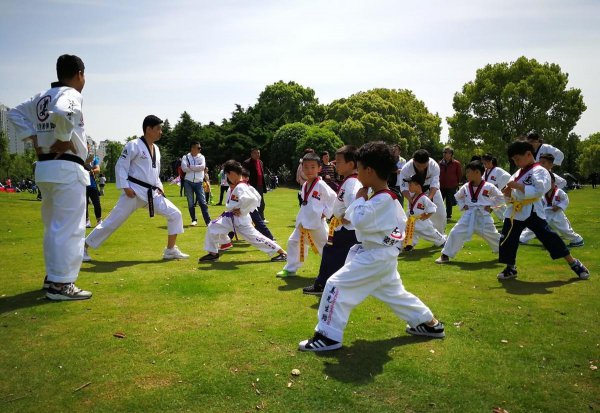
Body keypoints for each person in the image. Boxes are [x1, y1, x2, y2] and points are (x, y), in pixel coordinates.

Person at [298, 141, 445, 352]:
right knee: (395, 293)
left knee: (334, 285)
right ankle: (429, 324)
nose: (357, 173)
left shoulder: (383, 199)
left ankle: (328, 336)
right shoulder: (384, 196)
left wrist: (358, 200)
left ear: (369, 171)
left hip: (376, 256)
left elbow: (359, 219)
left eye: (358, 168)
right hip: (380, 254)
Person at [8, 54, 92, 300]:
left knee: (54, 227)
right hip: (66, 168)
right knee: (70, 228)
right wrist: (64, 137)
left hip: (45, 168)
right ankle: (61, 285)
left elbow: (14, 113)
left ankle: (53, 277)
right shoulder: (71, 94)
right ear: (79, 74)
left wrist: (31, 136)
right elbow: (63, 111)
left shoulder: (40, 96)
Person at [84, 115, 189, 261]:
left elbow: (154, 172)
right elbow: (120, 166)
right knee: (112, 222)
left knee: (175, 214)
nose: (161, 132)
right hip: (133, 192)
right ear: (148, 129)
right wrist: (125, 187)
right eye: (158, 129)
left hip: (152, 194)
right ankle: (83, 248)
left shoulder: (157, 149)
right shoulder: (133, 145)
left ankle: (170, 250)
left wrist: (159, 187)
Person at [496, 140, 589, 281]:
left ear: (528, 154)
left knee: (549, 237)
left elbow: (540, 189)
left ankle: (574, 263)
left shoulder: (540, 170)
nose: (516, 162)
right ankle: (510, 268)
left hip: (533, 210)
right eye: (514, 160)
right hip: (515, 210)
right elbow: (511, 194)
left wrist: (519, 187)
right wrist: (508, 194)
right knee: (507, 239)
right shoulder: (518, 173)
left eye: (517, 159)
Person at [199, 160, 287, 262]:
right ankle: (214, 252)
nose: (227, 177)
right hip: (230, 218)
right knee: (213, 226)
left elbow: (253, 199)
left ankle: (282, 253)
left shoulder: (241, 186)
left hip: (241, 221)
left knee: (256, 238)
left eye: (227, 174)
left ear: (231, 173)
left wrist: (242, 210)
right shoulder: (238, 186)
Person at [303, 145, 362, 295]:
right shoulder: (349, 180)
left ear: (351, 164)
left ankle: (324, 285)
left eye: (339, 162)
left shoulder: (352, 183)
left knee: (332, 253)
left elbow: (355, 201)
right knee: (335, 254)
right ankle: (328, 284)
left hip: (349, 229)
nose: (335, 164)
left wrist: (347, 217)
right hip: (347, 228)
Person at [277, 152, 337, 278]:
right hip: (303, 221)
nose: (309, 170)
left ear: (319, 168)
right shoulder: (305, 185)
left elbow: (333, 199)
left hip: (316, 224)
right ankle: (290, 269)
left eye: (313, 167)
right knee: (293, 241)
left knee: (325, 247)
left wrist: (325, 213)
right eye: (306, 167)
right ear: (302, 168)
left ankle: (335, 271)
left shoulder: (321, 185)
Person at [435, 161, 505, 264]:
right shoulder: (466, 187)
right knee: (455, 232)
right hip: (469, 215)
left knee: (493, 235)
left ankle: (506, 253)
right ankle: (445, 255)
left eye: (468, 172)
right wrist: (463, 205)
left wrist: (491, 207)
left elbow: (500, 197)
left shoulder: (489, 186)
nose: (466, 174)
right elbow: (457, 197)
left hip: (483, 216)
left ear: (477, 172)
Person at [519, 173, 584, 247]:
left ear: (554, 182)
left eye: (552, 182)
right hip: (545, 213)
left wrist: (559, 206)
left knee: (564, 230)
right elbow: (540, 202)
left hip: (557, 214)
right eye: (548, 183)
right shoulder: (543, 193)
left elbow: (565, 200)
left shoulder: (559, 192)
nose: (550, 184)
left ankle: (577, 239)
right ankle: (522, 238)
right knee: (535, 226)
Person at [399, 149, 447, 234]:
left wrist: (428, 200)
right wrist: (411, 200)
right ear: (413, 161)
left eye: (424, 166)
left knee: (440, 214)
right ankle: (408, 241)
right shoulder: (406, 169)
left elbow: (434, 184)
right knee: (413, 215)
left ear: (428, 161)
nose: (421, 169)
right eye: (418, 166)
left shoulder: (434, 166)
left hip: (431, 190)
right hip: (414, 193)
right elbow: (403, 187)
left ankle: (441, 236)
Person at [402, 174, 446, 252]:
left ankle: (442, 241)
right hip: (412, 221)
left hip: (422, 223)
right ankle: (409, 245)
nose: (409, 187)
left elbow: (432, 208)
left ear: (418, 186)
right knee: (411, 233)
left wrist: (426, 216)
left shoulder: (424, 198)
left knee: (430, 233)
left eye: (410, 185)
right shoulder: (412, 196)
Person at [181, 142, 211, 226]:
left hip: (198, 182)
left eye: (200, 148)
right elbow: (184, 169)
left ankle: (208, 221)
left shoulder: (202, 157)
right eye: (198, 148)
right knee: (190, 202)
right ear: (192, 148)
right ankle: (194, 219)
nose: (200, 149)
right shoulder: (185, 157)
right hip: (188, 182)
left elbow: (202, 167)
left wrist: (190, 166)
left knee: (203, 202)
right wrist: (196, 168)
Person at [481, 153, 511, 221]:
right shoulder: (486, 171)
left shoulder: (497, 170)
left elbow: (507, 176)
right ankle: (506, 220)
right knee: (496, 208)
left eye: (485, 163)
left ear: (490, 161)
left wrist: (498, 186)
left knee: (500, 208)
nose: (484, 165)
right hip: (490, 194)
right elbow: (482, 180)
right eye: (483, 163)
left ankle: (509, 220)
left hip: (497, 194)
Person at [243, 148, 267, 221]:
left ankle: (261, 218)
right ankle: (251, 218)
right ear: (252, 154)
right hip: (251, 186)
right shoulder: (247, 163)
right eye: (256, 153)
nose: (257, 154)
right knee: (252, 202)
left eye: (259, 153)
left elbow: (261, 174)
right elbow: (244, 175)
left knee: (261, 203)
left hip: (260, 185)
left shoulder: (260, 162)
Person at [439, 147, 462, 221]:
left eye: (446, 152)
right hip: (441, 186)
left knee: (449, 202)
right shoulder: (440, 163)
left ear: (451, 154)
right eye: (444, 152)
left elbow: (459, 174)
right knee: (439, 201)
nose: (444, 154)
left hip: (451, 186)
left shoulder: (456, 163)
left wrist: (456, 184)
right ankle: (439, 215)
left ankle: (448, 216)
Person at [85, 143, 102, 228]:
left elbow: (98, 169)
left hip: (92, 184)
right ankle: (87, 221)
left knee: (97, 203)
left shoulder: (94, 158)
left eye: (87, 146)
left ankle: (99, 221)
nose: (86, 148)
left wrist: (90, 172)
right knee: (84, 204)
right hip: (83, 184)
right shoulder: (80, 158)